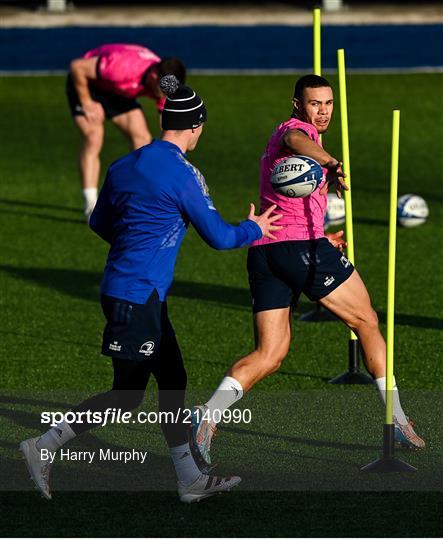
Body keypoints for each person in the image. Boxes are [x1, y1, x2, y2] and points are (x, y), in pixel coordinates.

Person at [19, 75, 282, 504]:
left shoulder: (123, 164)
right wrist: (255, 228)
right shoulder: (184, 174)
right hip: (137, 297)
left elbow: (99, 223)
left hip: (132, 293)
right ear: (196, 126)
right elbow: (218, 237)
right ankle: (44, 444)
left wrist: (134, 248)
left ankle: (188, 478)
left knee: (172, 378)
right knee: (127, 395)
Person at [192, 74, 425, 466]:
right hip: (298, 249)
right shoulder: (295, 131)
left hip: (267, 252)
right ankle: (397, 419)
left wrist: (321, 236)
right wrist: (330, 161)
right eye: (315, 103)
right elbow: (294, 141)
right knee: (366, 320)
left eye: (328, 103)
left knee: (270, 353)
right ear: (297, 103)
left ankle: (206, 416)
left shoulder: (302, 138)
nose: (323, 111)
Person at [67, 43, 186, 219]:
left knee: (143, 139)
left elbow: (166, 126)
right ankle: (91, 207)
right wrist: (87, 102)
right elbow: (77, 67)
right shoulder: (122, 68)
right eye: (162, 90)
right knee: (94, 136)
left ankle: (143, 198)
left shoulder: (166, 83)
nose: (164, 94)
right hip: (87, 84)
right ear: (154, 76)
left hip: (119, 92)